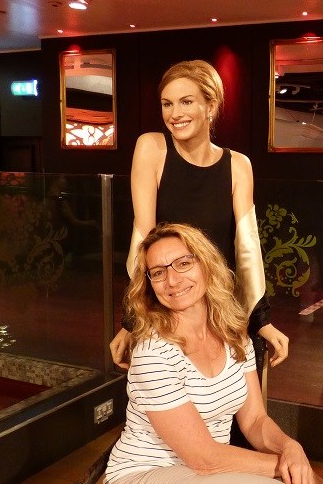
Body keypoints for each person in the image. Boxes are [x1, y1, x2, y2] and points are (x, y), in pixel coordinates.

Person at [102, 222, 323, 484]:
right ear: (149, 284)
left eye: (183, 263)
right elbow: (204, 457)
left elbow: (255, 420)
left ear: (206, 265)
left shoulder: (234, 337)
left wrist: (291, 449)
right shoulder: (154, 352)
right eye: (158, 272)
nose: (172, 280)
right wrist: (290, 471)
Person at [110, 59, 288, 371]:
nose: (174, 114)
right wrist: (130, 320)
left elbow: (246, 250)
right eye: (167, 104)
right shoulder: (152, 148)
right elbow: (143, 242)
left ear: (211, 106)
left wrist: (262, 320)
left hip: (220, 312)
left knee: (235, 399)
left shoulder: (238, 165)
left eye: (186, 102)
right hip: (167, 311)